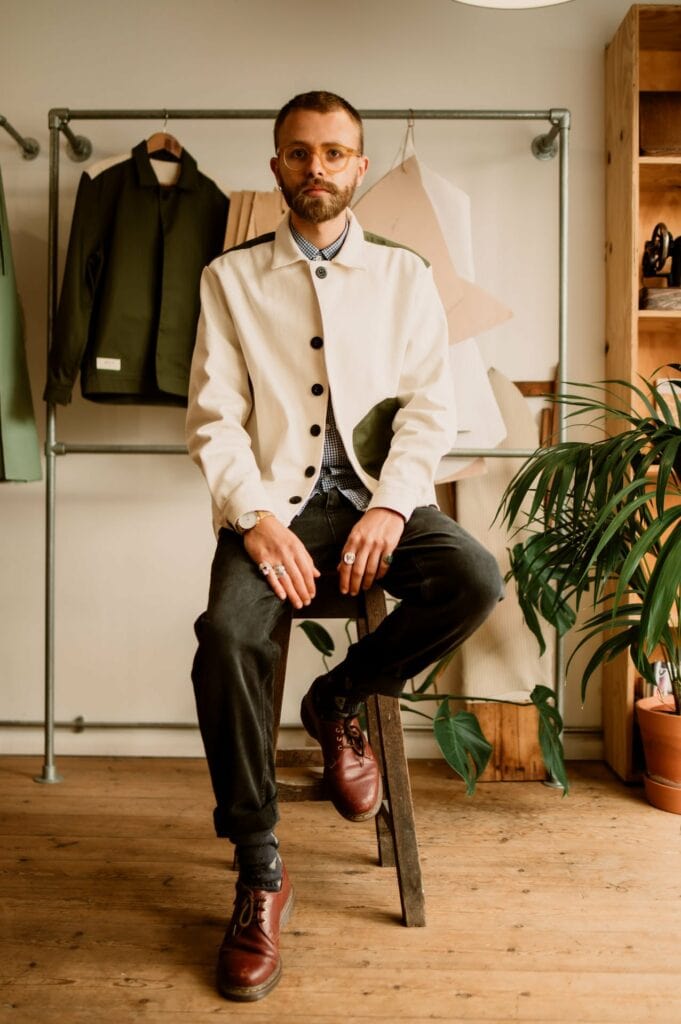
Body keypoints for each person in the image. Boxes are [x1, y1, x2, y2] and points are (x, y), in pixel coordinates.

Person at [186, 90, 503, 1003]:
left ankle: (337, 697)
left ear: (359, 166)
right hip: (272, 508)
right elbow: (214, 418)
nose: (316, 167)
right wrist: (254, 518)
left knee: (473, 577)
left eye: (333, 152)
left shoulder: (405, 274)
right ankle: (259, 865)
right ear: (276, 165)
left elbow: (430, 409)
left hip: (374, 498)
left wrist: (393, 507)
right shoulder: (229, 277)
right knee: (225, 638)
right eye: (299, 152)